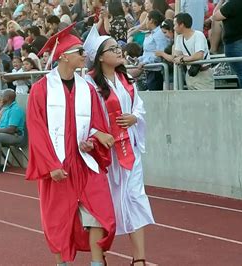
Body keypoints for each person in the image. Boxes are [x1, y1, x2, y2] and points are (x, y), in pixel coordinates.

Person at [26, 23, 116, 266]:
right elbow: (37, 131)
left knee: (99, 213)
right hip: (58, 165)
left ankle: (97, 263)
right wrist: (50, 165)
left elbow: (96, 123)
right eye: (79, 52)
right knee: (59, 219)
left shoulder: (87, 88)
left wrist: (94, 141)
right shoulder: (41, 90)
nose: (83, 56)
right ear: (64, 56)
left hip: (85, 163)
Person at [84, 28, 155, 266]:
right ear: (100, 57)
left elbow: (139, 107)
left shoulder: (128, 80)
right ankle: (99, 256)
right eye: (113, 49)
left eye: (118, 47)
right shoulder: (89, 84)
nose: (119, 51)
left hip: (129, 150)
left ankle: (140, 259)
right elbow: (82, 118)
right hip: (104, 155)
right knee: (105, 205)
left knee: (135, 198)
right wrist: (97, 133)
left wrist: (135, 117)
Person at [172, 13, 214, 90]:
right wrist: (187, 58)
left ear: (181, 25)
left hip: (203, 74)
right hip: (190, 74)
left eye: (175, 24)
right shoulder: (179, 38)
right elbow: (175, 57)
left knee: (207, 100)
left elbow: (199, 56)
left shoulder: (198, 35)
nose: (173, 28)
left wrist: (182, 58)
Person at [212, 0, 242, 88]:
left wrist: (221, 1)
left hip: (235, 42)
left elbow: (215, 16)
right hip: (238, 42)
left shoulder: (233, 4)